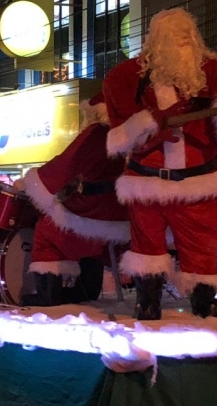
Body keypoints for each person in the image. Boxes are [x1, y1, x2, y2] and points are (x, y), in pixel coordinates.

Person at [102, 8, 217, 319]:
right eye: (176, 38)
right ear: (157, 42)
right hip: (148, 179)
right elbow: (121, 130)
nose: (185, 43)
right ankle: (148, 301)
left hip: (199, 179)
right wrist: (152, 125)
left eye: (189, 37)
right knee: (146, 247)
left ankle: (205, 302)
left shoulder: (209, 70)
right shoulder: (128, 75)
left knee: (202, 246)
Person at [17, 92, 131, 306]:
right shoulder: (129, 135)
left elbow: (65, 163)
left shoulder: (95, 133)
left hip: (92, 212)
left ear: (94, 113)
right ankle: (87, 289)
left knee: (46, 229)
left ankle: (47, 294)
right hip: (120, 214)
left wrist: (33, 181)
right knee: (90, 239)